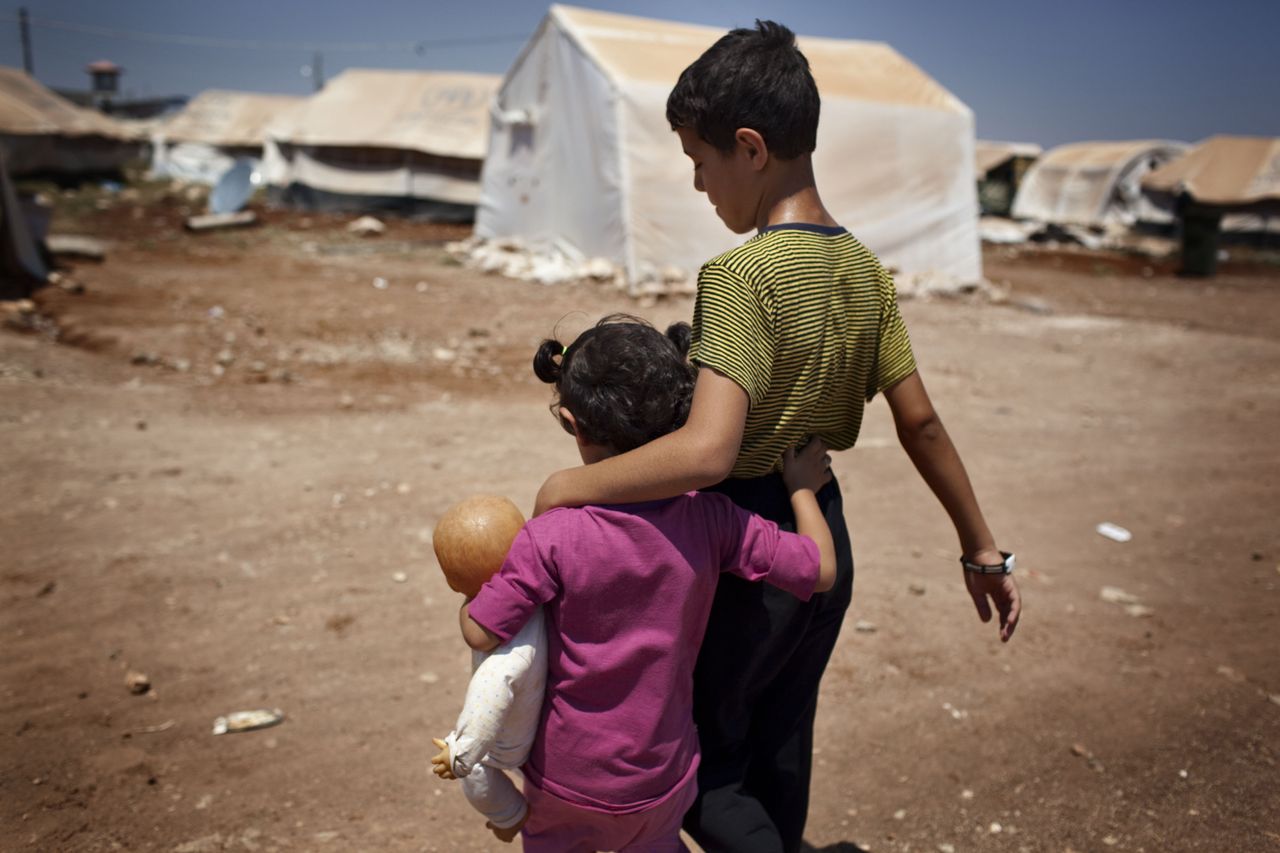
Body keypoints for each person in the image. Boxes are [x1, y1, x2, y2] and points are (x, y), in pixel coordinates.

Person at [532, 20, 1023, 853]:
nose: (698, 186)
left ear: (751, 149)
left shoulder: (741, 275)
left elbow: (708, 451)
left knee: (704, 769)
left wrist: (564, 487)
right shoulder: (865, 268)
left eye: (700, 163)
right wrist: (982, 548)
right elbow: (921, 420)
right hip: (824, 536)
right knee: (781, 752)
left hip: (745, 549)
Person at [460, 314, 837, 852]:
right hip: (664, 776)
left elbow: (481, 632)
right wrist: (801, 489)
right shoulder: (713, 520)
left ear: (572, 422)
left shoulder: (551, 537)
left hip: (568, 779)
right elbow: (820, 571)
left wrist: (469, 588)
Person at [429, 495, 545, 844]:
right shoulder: (539, 595)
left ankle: (508, 815)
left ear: (453, 582)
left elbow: (490, 692)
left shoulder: (504, 650)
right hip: (537, 706)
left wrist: (462, 751)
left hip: (510, 740)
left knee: (477, 772)